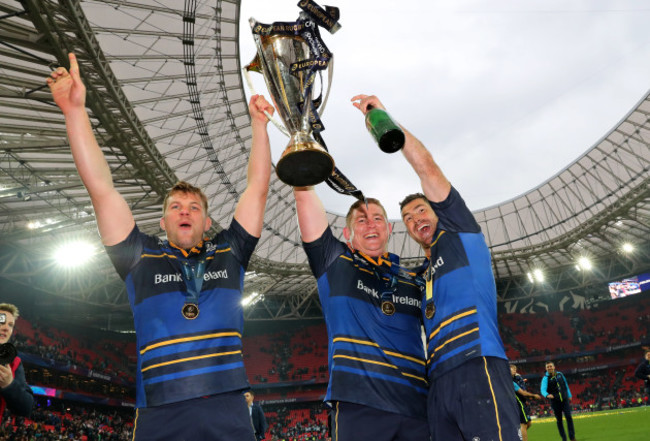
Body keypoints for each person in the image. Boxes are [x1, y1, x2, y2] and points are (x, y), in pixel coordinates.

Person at [48, 53, 274, 441]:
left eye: (194, 208)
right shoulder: (139, 255)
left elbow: (257, 188)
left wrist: (259, 125)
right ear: (162, 221)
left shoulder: (229, 251)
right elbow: (102, 190)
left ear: (207, 221)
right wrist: (74, 112)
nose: (184, 212)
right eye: (175, 207)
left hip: (228, 406)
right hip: (159, 410)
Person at [350, 94, 520, 441]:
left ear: (439, 211)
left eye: (422, 210)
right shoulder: (419, 276)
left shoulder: (460, 235)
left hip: (477, 363)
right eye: (409, 218)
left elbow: (426, 166)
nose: (416, 219)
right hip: (437, 380)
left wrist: (383, 119)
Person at [292, 194, 429, 437]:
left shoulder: (414, 281)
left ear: (388, 229)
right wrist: (304, 171)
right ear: (347, 233)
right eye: (361, 221)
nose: (371, 224)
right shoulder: (335, 263)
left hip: (417, 409)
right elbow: (305, 199)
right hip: (359, 406)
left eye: (377, 219)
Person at [0, 303, 33, 419]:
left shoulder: (14, 363)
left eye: (10, 325)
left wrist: (9, 385)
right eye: (2, 321)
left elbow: (27, 408)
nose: (6, 328)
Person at [540, 361, 576, 441]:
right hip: (555, 402)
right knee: (559, 420)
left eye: (550, 366)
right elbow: (542, 389)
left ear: (554, 367)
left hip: (564, 399)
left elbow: (565, 385)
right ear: (546, 368)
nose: (549, 368)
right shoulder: (545, 378)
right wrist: (547, 395)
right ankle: (564, 438)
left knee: (569, 417)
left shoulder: (560, 374)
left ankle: (572, 437)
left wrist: (569, 395)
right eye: (548, 367)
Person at [511, 364, 541, 441]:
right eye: (513, 369)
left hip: (520, 402)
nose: (515, 371)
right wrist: (534, 395)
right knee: (523, 424)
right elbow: (523, 393)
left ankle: (516, 436)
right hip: (518, 403)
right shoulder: (511, 382)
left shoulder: (514, 379)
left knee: (528, 423)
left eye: (515, 369)